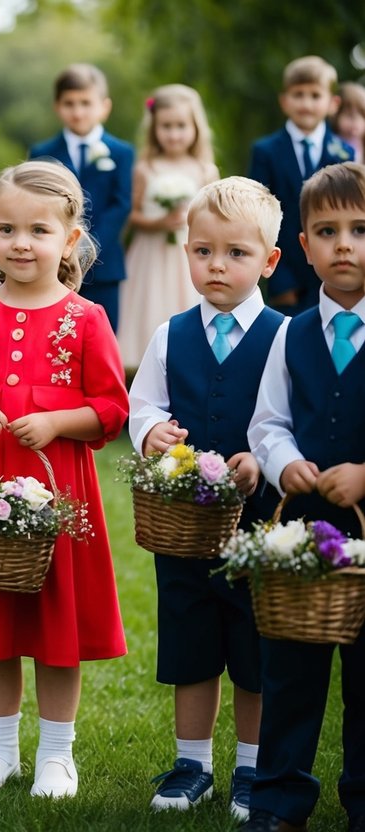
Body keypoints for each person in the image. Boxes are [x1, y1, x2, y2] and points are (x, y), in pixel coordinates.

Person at [0, 161, 128, 799]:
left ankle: (57, 757)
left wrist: (59, 420)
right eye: (6, 227)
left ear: (68, 239)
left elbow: (112, 408)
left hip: (57, 488)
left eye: (38, 230)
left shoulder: (86, 318)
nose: (20, 242)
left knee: (55, 625)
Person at [129, 177, 285, 821]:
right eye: (203, 252)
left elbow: (287, 419)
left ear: (269, 261)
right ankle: (192, 762)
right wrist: (151, 432)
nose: (216, 265)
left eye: (236, 253)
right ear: (186, 252)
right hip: (184, 526)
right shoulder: (171, 334)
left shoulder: (284, 336)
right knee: (191, 640)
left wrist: (265, 460)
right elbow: (143, 403)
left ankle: (252, 768)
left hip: (257, 522)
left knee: (252, 647)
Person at [245, 161, 365, 832]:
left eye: (359, 229)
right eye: (326, 231)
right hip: (302, 535)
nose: (343, 244)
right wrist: (284, 463)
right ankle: (278, 799)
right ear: (303, 247)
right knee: (289, 670)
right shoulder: (287, 332)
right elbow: (267, 422)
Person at [117, 85, 219, 369]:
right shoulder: (145, 168)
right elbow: (132, 215)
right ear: (154, 129)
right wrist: (159, 222)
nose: (173, 134)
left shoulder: (205, 170)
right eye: (166, 126)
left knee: (186, 307)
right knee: (149, 310)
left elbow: (217, 218)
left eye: (181, 126)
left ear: (195, 127)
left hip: (189, 253)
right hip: (150, 255)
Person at [248, 55, 355, 317]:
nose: (306, 103)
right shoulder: (266, 151)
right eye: (298, 95)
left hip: (332, 267)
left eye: (315, 95)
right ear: (284, 101)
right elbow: (257, 214)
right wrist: (276, 275)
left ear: (332, 103)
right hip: (285, 270)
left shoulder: (344, 153)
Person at [30, 63, 133, 333]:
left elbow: (121, 204)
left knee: (104, 336)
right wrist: (63, 247)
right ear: (57, 106)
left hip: (104, 263)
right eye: (69, 103)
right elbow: (36, 203)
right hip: (55, 263)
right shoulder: (42, 152)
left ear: (104, 106)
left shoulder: (121, 152)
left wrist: (87, 247)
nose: (77, 112)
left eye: (86, 103)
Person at [332, 82, 365, 168]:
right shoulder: (330, 142)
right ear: (336, 114)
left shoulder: (362, 142)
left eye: (362, 116)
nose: (356, 122)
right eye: (349, 115)